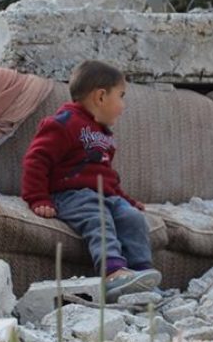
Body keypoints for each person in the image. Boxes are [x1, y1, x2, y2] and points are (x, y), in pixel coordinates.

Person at [21, 60, 162, 299]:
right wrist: (38, 198)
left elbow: (107, 178)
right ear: (100, 97)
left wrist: (126, 200)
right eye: (121, 96)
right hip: (70, 195)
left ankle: (140, 274)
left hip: (103, 194)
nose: (123, 106)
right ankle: (113, 272)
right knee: (99, 217)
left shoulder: (104, 134)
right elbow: (36, 160)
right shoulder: (63, 124)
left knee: (133, 218)